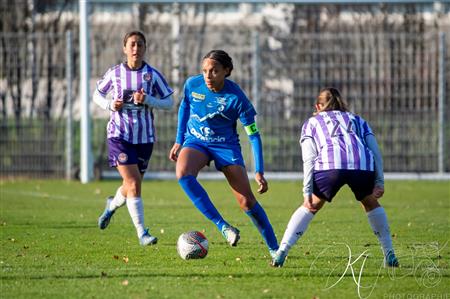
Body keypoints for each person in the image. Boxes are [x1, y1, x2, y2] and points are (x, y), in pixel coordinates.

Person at [271, 87, 399, 267]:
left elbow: (309, 158)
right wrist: (379, 181)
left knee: (311, 206)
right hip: (361, 165)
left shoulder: (312, 122)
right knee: (370, 203)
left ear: (317, 105)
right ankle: (389, 253)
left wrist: (307, 190)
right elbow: (375, 151)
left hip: (331, 166)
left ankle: (282, 250)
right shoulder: (358, 120)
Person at [169, 50, 279, 257]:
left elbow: (254, 135)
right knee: (183, 173)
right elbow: (184, 106)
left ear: (227, 71)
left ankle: (275, 249)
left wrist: (259, 171)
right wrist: (179, 140)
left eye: (214, 71)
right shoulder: (193, 85)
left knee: (246, 201)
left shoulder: (236, 98)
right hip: (196, 141)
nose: (208, 76)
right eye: (205, 71)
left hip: (225, 146)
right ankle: (223, 226)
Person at [94, 31, 174, 246]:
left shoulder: (152, 75)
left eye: (139, 44)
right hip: (119, 135)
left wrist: (148, 99)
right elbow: (97, 95)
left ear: (145, 48)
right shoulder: (115, 73)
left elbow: (169, 102)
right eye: (132, 45)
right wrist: (111, 105)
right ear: (124, 48)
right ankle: (142, 234)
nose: (135, 49)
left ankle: (111, 206)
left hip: (144, 138)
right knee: (133, 183)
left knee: (130, 186)